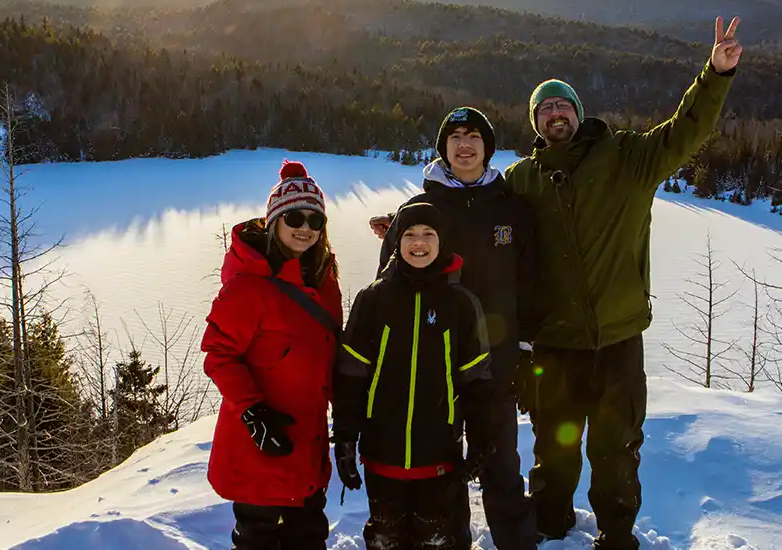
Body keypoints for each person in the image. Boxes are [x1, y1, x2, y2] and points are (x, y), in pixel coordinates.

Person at [503, 16, 743, 549]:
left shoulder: (628, 158)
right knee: (553, 447)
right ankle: (550, 524)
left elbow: (687, 131)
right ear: (537, 124)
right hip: (555, 342)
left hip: (617, 339)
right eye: (545, 108)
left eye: (562, 104)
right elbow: (473, 220)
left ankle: (616, 535)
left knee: (615, 447)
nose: (555, 113)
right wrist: (407, 225)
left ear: (578, 113)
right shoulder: (522, 181)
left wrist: (715, 74)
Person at [368, 106, 540, 548]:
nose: (465, 145)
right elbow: (390, 290)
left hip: (496, 366)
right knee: (445, 473)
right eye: (455, 137)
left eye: (474, 136)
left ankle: (515, 542)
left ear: (487, 147)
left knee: (502, 467)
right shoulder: (419, 210)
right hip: (434, 371)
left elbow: (531, 283)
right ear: (443, 149)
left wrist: (525, 350)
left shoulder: (512, 210)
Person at [333, 202, 495, 550]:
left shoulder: (462, 304)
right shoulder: (373, 299)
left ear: (442, 241)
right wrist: (344, 436)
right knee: (384, 537)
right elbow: (351, 376)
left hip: (439, 453)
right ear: (396, 242)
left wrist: (481, 437)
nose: (418, 242)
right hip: (382, 451)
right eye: (409, 234)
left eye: (428, 234)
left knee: (435, 538)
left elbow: (476, 380)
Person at [200, 160, 343, 549]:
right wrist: (253, 412)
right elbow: (217, 355)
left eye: (315, 221)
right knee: (259, 539)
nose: (305, 229)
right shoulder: (248, 286)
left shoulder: (325, 280)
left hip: (308, 445)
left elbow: (331, 355)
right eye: (295, 217)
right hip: (261, 446)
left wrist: (347, 421)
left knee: (309, 536)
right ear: (273, 221)